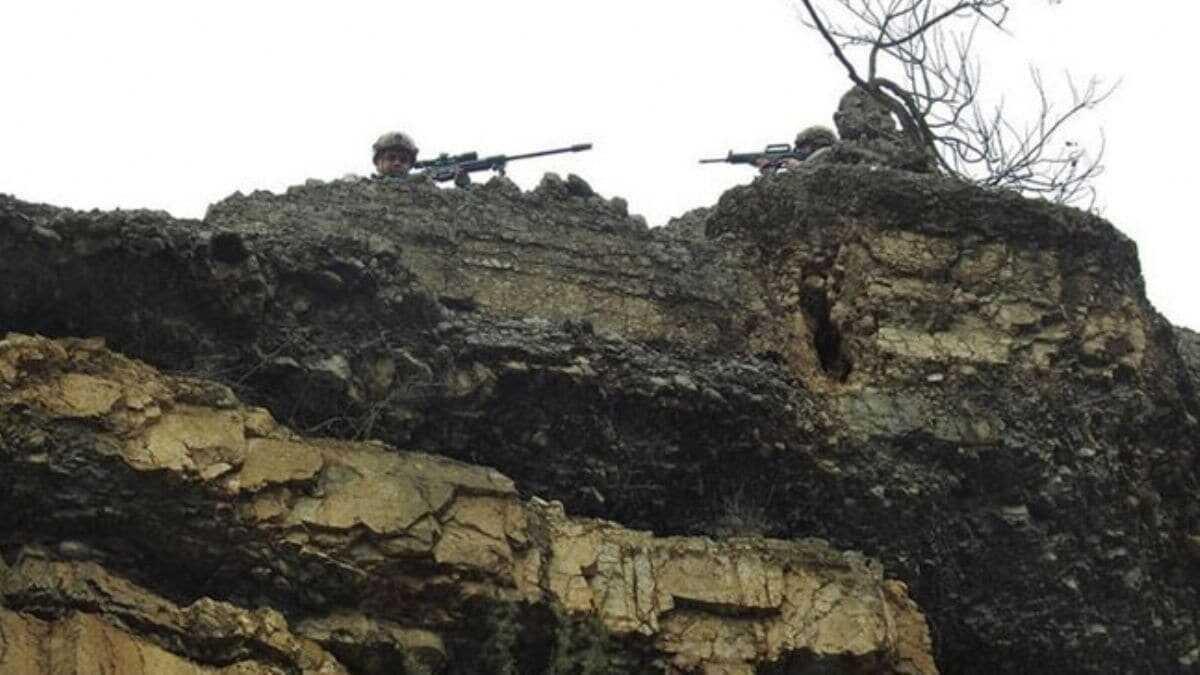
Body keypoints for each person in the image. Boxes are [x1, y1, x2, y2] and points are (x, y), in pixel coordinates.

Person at [753, 125, 838, 174]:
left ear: (817, 144)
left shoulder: (828, 153)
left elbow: (816, 172)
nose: (800, 151)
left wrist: (798, 166)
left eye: (804, 147)